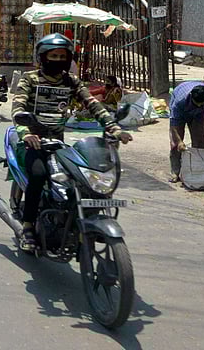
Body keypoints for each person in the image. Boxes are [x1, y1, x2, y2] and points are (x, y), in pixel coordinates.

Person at [10, 33, 131, 252]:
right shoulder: (30, 79)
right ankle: (28, 227)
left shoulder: (71, 81)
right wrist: (25, 132)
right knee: (38, 176)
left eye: (62, 56)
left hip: (58, 142)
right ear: (42, 57)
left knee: (80, 178)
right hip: (33, 141)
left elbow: (93, 104)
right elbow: (18, 107)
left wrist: (113, 127)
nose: (57, 59)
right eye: (53, 55)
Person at [168, 81, 204, 183]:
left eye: (202, 104)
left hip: (198, 115)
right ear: (191, 97)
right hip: (181, 113)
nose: (199, 105)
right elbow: (173, 124)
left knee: (199, 141)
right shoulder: (179, 101)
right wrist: (179, 141)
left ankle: (199, 169)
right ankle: (175, 171)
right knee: (176, 145)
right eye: (197, 104)